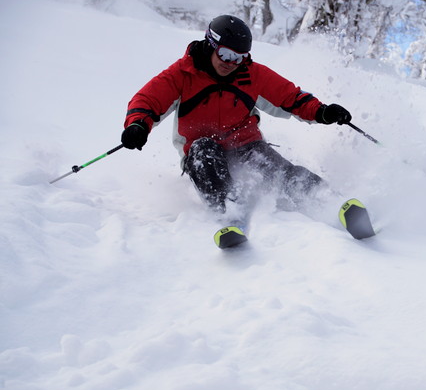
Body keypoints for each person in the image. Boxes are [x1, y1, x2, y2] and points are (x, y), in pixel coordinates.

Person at [121, 14, 361, 233]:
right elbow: (147, 100)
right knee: (204, 150)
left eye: (239, 57)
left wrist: (322, 112)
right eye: (225, 54)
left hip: (246, 145)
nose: (231, 63)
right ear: (210, 45)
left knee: (277, 169)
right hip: (201, 151)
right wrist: (138, 125)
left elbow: (291, 98)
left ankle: (330, 201)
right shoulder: (183, 74)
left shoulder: (252, 75)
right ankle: (230, 215)